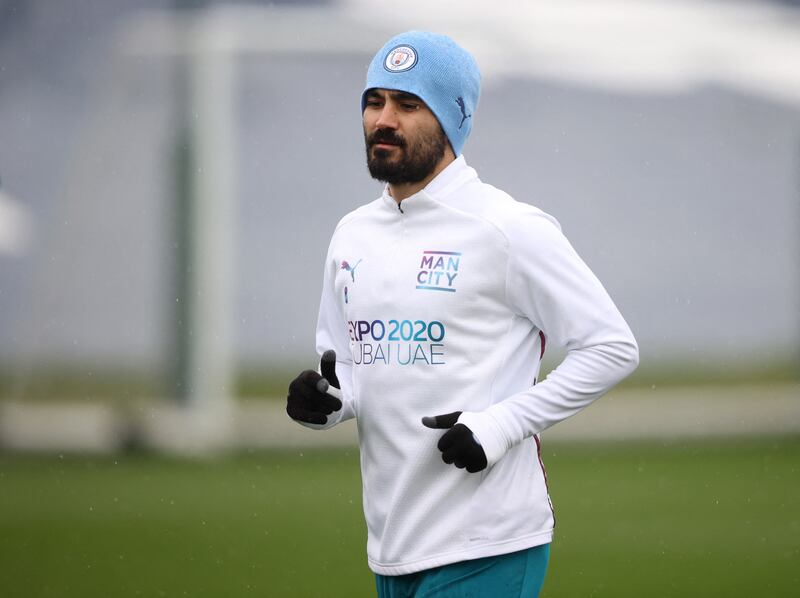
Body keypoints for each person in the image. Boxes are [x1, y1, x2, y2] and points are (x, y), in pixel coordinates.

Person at [287, 31, 639, 597]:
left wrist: (500, 424)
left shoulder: (508, 228)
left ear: (452, 120)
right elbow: (350, 367)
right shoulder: (351, 234)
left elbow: (612, 347)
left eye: (408, 104)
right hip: (393, 544)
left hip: (488, 542)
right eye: (374, 101)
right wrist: (329, 402)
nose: (384, 119)